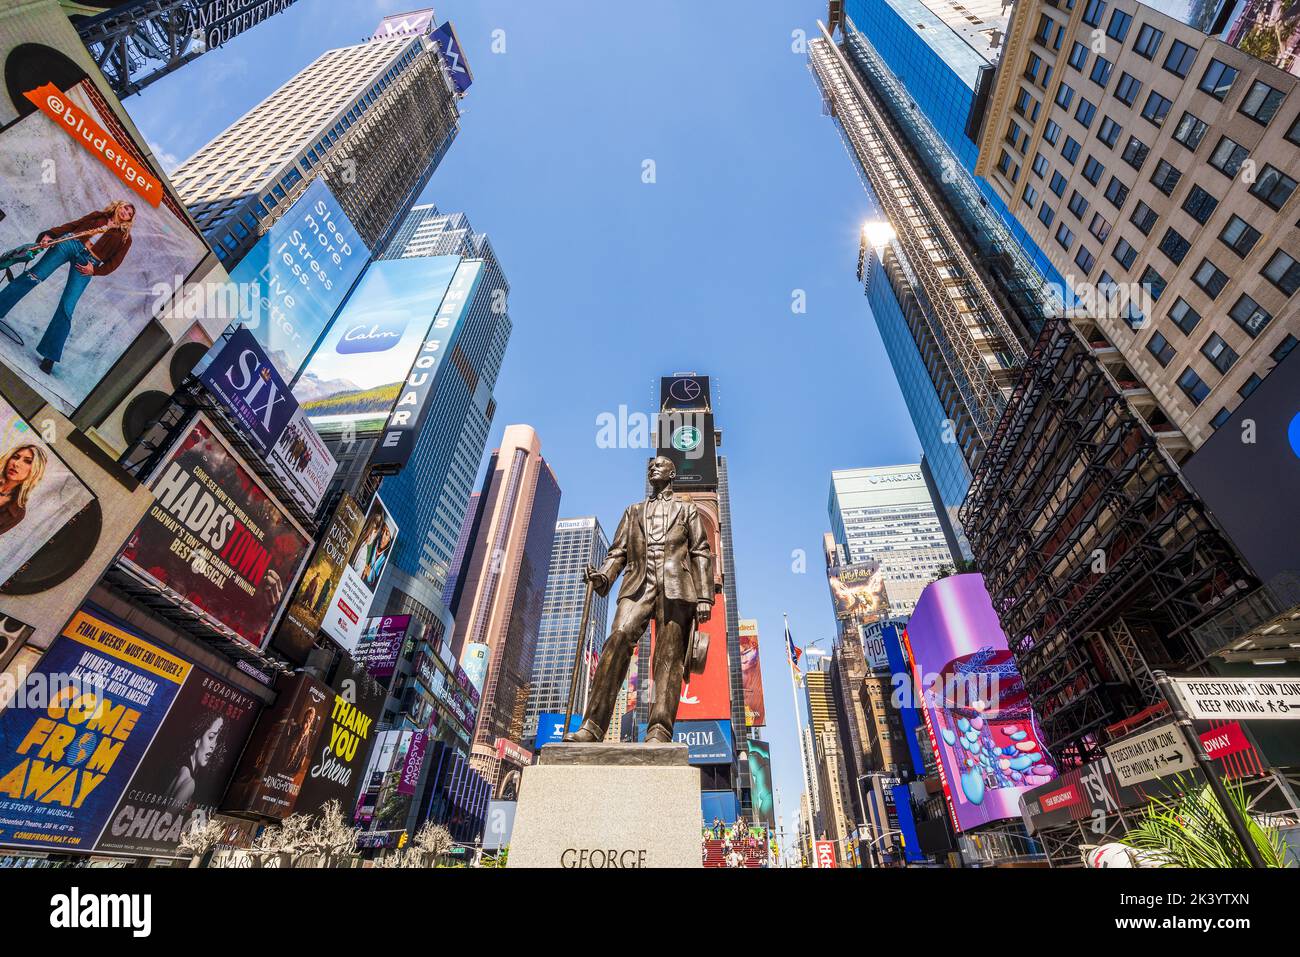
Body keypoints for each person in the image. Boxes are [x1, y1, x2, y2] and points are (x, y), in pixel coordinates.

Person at [568, 456, 713, 743]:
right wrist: (605, 576)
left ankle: (659, 729)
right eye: (650, 466)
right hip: (638, 583)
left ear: (672, 473)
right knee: (618, 638)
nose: (653, 468)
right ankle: (592, 726)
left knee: (669, 655)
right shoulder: (633, 511)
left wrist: (704, 596)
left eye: (660, 465)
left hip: (676, 585)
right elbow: (618, 551)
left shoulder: (688, 510)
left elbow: (700, 551)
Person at [0, 200, 135, 374]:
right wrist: (50, 234)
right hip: (70, 244)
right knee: (33, 277)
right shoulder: (98, 216)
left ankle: (50, 355)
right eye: (125, 208)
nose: (126, 212)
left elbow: (115, 262)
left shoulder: (125, 237)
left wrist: (95, 270)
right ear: (118, 206)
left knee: (68, 305)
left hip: (88, 262)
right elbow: (73, 225)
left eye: (130, 213)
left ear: (130, 219)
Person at [163, 714, 226, 808]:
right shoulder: (189, 783)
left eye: (217, 740)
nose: (214, 745)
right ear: (197, 741)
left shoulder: (182, 771)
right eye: (211, 737)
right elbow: (165, 819)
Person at [0, 443, 48, 536]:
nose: (16, 464)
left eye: (28, 461)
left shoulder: (17, 512)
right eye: (15, 457)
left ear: (35, 470)